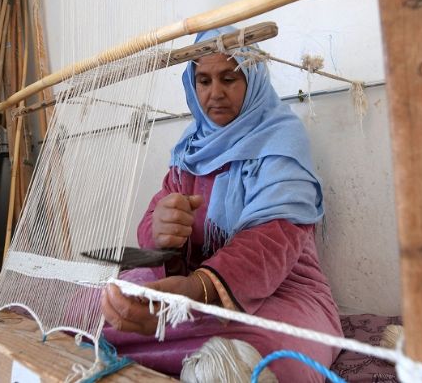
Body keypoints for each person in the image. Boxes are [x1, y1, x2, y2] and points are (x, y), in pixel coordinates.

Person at [101, 26, 343, 382]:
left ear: (253, 77)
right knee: (101, 304)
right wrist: (159, 226)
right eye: (203, 80)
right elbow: (152, 225)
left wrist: (196, 290)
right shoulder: (191, 149)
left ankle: (158, 345)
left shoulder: (281, 143)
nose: (215, 93)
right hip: (194, 292)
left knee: (261, 357)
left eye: (229, 78)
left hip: (285, 295)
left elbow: (272, 241)